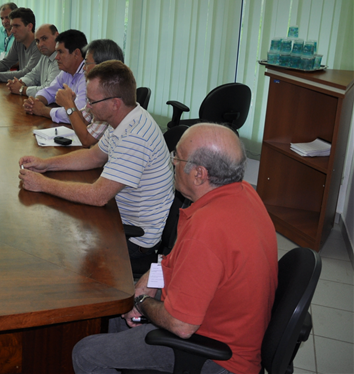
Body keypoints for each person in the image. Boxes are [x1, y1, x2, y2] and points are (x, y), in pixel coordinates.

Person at [72, 123, 278, 374]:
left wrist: (141, 300)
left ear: (199, 174)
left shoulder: (206, 231)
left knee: (86, 353)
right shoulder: (243, 193)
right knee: (117, 309)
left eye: (177, 157)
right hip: (222, 326)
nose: (172, 163)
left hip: (215, 358)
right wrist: (150, 279)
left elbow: (181, 325)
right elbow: (180, 259)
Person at [18, 60, 173, 265]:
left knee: (51, 244)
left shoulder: (135, 136)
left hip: (134, 241)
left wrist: (43, 184)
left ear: (115, 103)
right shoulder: (124, 118)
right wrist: (46, 164)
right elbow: (93, 156)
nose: (88, 108)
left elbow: (98, 196)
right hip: (117, 216)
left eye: (92, 102)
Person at [55, 39, 125, 147]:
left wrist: (68, 105)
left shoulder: (110, 97)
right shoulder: (98, 89)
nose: (83, 68)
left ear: (102, 65)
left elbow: (87, 140)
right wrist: (71, 103)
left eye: (87, 63)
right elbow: (84, 121)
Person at [22, 29, 88, 124]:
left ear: (76, 54)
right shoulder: (66, 71)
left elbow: (78, 113)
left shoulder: (87, 75)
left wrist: (43, 110)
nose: (56, 57)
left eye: (60, 52)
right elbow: (49, 90)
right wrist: (36, 102)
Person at [7, 24, 59, 98]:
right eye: (37, 41)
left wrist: (22, 89)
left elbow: (50, 90)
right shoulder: (44, 56)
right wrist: (20, 82)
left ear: (57, 36)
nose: (40, 44)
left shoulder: (61, 59)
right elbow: (33, 75)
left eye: (44, 38)